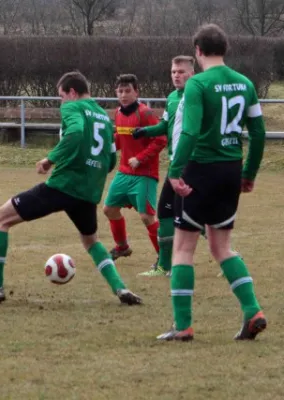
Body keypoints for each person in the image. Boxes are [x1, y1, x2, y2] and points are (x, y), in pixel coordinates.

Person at [0, 71, 142, 306]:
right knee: (91, 242)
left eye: (61, 96)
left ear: (72, 92)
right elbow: (110, 160)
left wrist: (50, 159)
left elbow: (76, 132)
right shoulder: (104, 116)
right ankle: (120, 288)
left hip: (61, 186)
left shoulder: (72, 108)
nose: (61, 102)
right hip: (89, 192)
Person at [157, 24, 267, 341]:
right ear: (225, 49)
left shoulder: (198, 84)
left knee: (182, 249)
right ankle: (253, 311)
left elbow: (189, 132)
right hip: (230, 170)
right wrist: (249, 173)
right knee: (222, 247)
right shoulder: (245, 83)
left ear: (198, 51)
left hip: (199, 170)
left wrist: (176, 171)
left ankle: (183, 326)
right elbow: (258, 133)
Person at [132, 56, 195, 277]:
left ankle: (166, 266)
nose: (176, 75)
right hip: (176, 163)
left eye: (181, 71)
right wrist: (145, 131)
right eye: (173, 71)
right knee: (174, 212)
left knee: (175, 211)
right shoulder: (172, 98)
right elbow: (165, 126)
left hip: (190, 163)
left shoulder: (197, 96)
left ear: (192, 73)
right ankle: (165, 266)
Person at [103, 74, 166, 270]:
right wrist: (106, 143)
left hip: (144, 174)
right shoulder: (119, 113)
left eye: (128, 91)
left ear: (136, 92)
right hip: (124, 172)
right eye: (120, 91)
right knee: (109, 210)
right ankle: (122, 247)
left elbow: (161, 139)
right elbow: (121, 139)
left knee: (147, 217)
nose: (123, 95)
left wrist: (140, 158)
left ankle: (165, 260)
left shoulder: (145, 113)